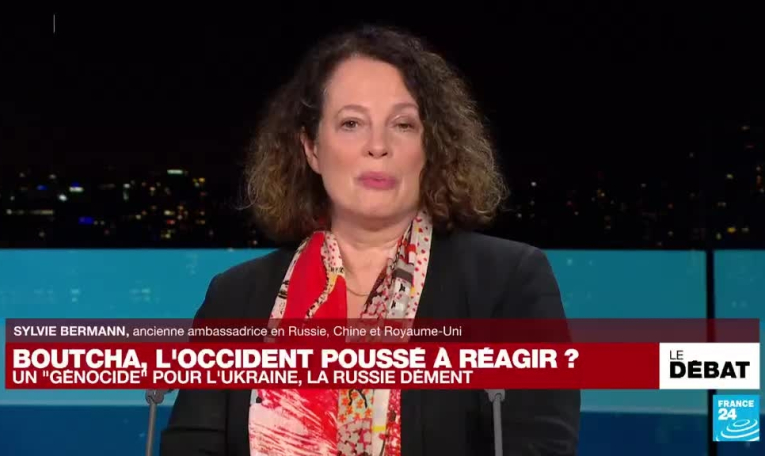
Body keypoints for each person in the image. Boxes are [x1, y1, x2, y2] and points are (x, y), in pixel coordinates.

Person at [161, 24, 580, 456]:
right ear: (312, 148)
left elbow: (541, 444)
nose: (377, 146)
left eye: (402, 124)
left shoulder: (508, 283)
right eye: (351, 123)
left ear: (431, 146)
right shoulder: (234, 298)